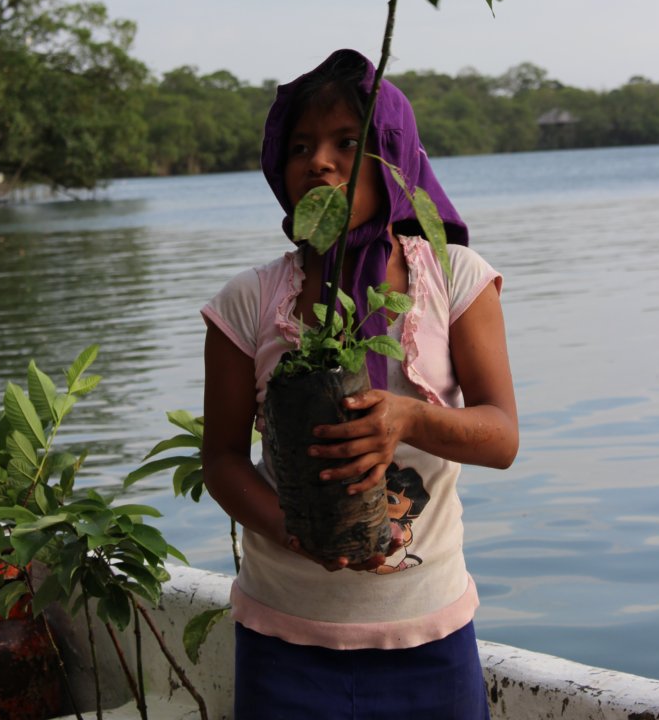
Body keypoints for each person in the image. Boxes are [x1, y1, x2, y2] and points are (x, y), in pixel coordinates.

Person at [201, 48, 518, 720]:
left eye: (349, 143)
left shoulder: (453, 279)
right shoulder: (247, 301)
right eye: (300, 147)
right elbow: (223, 459)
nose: (319, 162)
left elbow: (499, 438)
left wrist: (406, 419)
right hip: (283, 634)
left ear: (394, 160)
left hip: (427, 630)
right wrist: (293, 530)